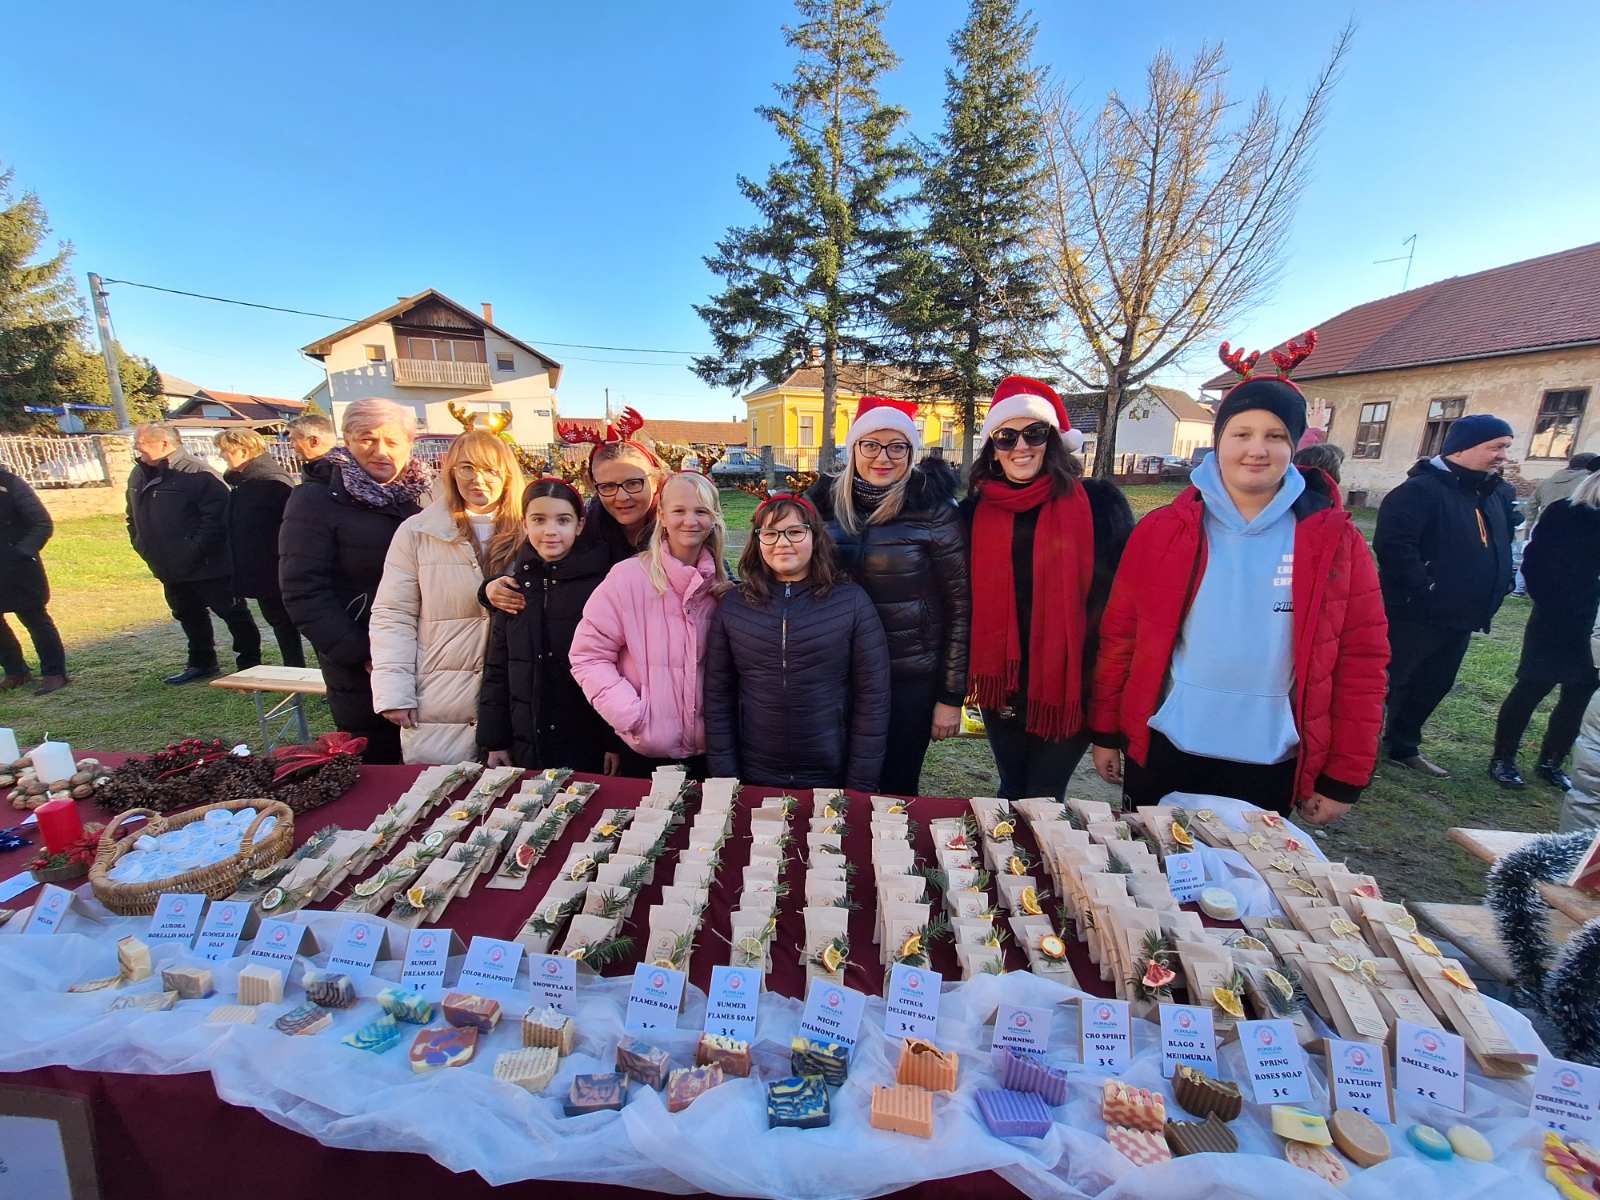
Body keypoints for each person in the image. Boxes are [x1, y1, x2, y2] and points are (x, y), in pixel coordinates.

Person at [1090, 333, 1390, 823]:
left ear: (1294, 446)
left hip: (1270, 756)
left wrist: (1344, 776)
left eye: (1275, 436)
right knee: (1152, 863)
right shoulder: (1162, 531)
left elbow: (1362, 661)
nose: (1256, 449)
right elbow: (1121, 636)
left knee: (1250, 870)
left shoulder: (1335, 542)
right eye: (1241, 434)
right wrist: (1106, 731)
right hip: (1169, 744)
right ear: (1219, 441)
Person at [960, 377, 1133, 801]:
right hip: (1004, 685)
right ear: (992, 448)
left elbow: (1123, 609)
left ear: (1053, 441)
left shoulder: (1099, 505)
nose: (1020, 446)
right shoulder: (973, 512)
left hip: (1071, 684)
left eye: (1034, 433)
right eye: (1006, 436)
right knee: (1011, 788)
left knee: (1044, 794)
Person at [805, 396, 971, 795]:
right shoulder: (822, 504)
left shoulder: (935, 509)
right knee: (836, 785)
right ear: (854, 449)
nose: (883, 457)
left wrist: (950, 696)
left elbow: (960, 606)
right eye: (871, 445)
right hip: (837, 673)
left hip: (909, 677)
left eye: (897, 446)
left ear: (911, 453)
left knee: (896, 786)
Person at [279, 399, 432, 764]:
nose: (381, 451)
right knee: (380, 761)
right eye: (367, 439)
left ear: (409, 443)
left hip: (426, 653)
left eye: (392, 441)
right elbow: (303, 590)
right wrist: (362, 652)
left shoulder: (424, 496)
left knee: (430, 759)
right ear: (347, 439)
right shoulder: (316, 499)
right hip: (361, 664)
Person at [705, 492, 890, 790]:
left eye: (795, 532)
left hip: (830, 772)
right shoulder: (734, 606)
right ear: (757, 540)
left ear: (815, 537)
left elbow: (873, 698)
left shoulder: (851, 602)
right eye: (770, 533)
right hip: (755, 771)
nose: (782, 542)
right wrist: (725, 778)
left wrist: (860, 784)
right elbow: (718, 697)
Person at [1373, 413, 1519, 777]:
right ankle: (1360, 748)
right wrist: (1425, 588)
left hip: (1463, 613)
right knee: (1390, 681)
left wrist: (1501, 581)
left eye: (1506, 447)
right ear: (1463, 447)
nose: (1503, 456)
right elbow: (1395, 546)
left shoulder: (1493, 492)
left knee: (1435, 682)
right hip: (1414, 613)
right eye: (1496, 447)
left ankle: (1403, 745)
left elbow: (1499, 542)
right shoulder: (1419, 492)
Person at [368, 430, 523, 765]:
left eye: (490, 469)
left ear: (507, 474)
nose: (477, 479)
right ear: (451, 471)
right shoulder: (418, 532)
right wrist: (394, 689)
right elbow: (393, 613)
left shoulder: (532, 531)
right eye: (467, 468)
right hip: (439, 693)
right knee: (443, 789)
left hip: (512, 695)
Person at [569, 472, 731, 778]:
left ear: (713, 518)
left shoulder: (721, 587)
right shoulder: (628, 578)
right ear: (662, 516)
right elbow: (588, 655)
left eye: (701, 511)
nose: (690, 521)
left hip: (711, 750)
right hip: (646, 750)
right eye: (679, 510)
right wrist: (630, 714)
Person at [478, 478, 619, 773]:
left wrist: (614, 740)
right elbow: (497, 669)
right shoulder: (514, 588)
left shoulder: (601, 585)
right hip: (528, 741)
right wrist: (495, 741)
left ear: (579, 525)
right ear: (525, 523)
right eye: (539, 520)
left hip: (586, 738)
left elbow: (618, 667)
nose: (550, 531)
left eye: (563, 520)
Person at [481, 407, 666, 616]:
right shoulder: (586, 532)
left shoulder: (676, 528)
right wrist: (490, 588)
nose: (622, 497)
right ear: (594, 486)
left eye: (633, 483)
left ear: (655, 482)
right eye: (608, 486)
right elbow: (539, 569)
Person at [126, 422, 261, 685]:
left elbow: (217, 520)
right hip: (166, 564)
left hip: (208, 564)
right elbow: (132, 516)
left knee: (232, 613)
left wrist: (193, 550)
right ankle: (202, 662)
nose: (136, 450)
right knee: (187, 613)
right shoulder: (138, 474)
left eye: (140, 445)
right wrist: (141, 544)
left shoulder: (198, 474)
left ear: (164, 443)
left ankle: (250, 664)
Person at [1489, 471, 1600, 791]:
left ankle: (1552, 761)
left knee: (1579, 696)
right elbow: (1535, 562)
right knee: (1532, 687)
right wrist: (1552, 601)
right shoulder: (1566, 513)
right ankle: (1503, 758)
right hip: (1558, 618)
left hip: (1596, 625)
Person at [214, 429, 303, 668]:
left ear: (244, 450)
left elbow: (290, 528)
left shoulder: (271, 482)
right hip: (259, 567)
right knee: (278, 621)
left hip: (275, 566)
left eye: (225, 450)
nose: (221, 455)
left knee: (296, 621)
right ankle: (293, 670)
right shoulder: (243, 482)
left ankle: (308, 673)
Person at [0, 466, 67, 694]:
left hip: (18, 567)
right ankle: (15, 671)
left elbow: (42, 523)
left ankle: (54, 672)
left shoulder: (10, 484)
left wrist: (21, 552)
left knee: (34, 618)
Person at [1525, 451, 1598, 528]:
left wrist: (1530, 526)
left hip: (1544, 525)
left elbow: (1531, 505)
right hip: (1573, 528)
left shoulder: (1547, 482)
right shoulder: (1590, 483)